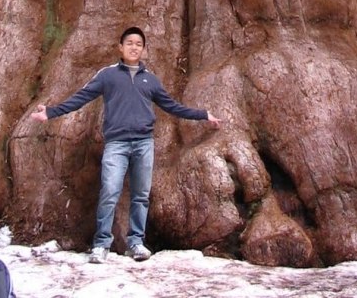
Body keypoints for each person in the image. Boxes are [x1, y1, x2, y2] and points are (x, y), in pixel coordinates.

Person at [31, 26, 220, 263]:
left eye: (139, 44)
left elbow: (172, 106)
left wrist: (203, 115)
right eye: (129, 43)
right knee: (110, 191)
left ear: (144, 50)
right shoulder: (107, 75)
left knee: (141, 195)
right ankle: (101, 244)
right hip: (116, 144)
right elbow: (81, 97)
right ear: (120, 47)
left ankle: (136, 243)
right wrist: (50, 112)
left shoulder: (150, 80)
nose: (134, 47)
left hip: (144, 143)